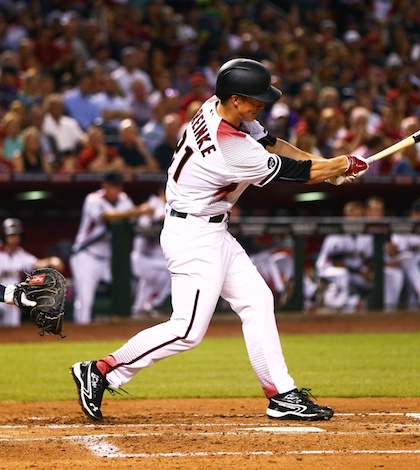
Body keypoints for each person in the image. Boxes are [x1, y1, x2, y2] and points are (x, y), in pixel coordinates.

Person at [70, 58, 367, 423]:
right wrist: (339, 167)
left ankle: (282, 395)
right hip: (193, 236)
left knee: (258, 301)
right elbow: (295, 173)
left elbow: (275, 144)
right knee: (187, 330)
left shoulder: (216, 108)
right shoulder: (229, 146)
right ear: (235, 99)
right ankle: (101, 370)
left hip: (211, 229)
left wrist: (328, 166)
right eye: (254, 99)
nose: (262, 105)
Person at [69, 171, 152, 325]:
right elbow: (107, 217)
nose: (116, 190)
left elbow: (131, 218)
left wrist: (139, 212)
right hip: (87, 256)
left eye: (118, 187)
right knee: (85, 299)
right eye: (113, 187)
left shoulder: (124, 199)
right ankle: (80, 333)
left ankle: (129, 321)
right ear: (105, 186)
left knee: (131, 285)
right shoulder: (93, 199)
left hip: (109, 260)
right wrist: (138, 210)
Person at [0, 218, 64, 326]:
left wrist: (51, 261)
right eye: (11, 235)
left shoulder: (19, 254)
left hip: (13, 297)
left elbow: (36, 264)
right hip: (1, 296)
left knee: (13, 319)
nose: (15, 238)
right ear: (4, 236)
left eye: (17, 235)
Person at [130, 185, 170, 318]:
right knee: (173, 270)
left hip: (152, 259)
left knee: (147, 286)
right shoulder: (155, 203)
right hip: (141, 257)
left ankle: (140, 309)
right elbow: (161, 216)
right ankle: (156, 303)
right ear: (161, 193)